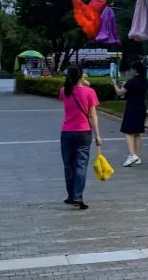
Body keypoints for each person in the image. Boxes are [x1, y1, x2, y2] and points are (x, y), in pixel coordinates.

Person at [59, 66, 101, 210]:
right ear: (81, 76)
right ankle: (78, 196)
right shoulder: (90, 92)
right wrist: (98, 135)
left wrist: (80, 83)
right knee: (81, 165)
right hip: (84, 132)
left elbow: (67, 97)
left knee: (68, 165)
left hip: (66, 132)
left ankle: (70, 196)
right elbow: (93, 115)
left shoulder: (64, 91)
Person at [113, 59, 148, 166]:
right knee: (137, 133)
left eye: (132, 69)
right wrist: (126, 84)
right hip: (141, 107)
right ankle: (137, 156)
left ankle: (131, 155)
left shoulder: (131, 82)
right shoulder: (144, 81)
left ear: (135, 70)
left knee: (128, 132)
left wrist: (114, 84)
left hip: (132, 108)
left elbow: (120, 92)